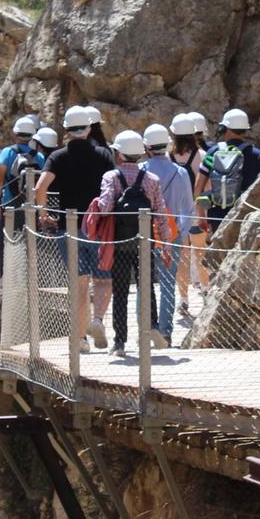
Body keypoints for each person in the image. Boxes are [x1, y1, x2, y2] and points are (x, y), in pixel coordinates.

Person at [35, 106, 116, 352]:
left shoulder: (57, 157)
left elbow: (40, 188)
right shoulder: (104, 154)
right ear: (89, 128)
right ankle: (98, 320)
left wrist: (44, 213)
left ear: (67, 130)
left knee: (78, 284)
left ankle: (80, 339)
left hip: (68, 226)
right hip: (98, 227)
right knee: (103, 279)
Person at [96, 130, 170, 357]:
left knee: (120, 292)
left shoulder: (111, 177)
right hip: (144, 243)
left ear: (118, 154)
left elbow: (106, 207)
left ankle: (119, 343)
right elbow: (161, 214)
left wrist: (97, 202)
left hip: (120, 243)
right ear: (140, 154)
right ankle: (153, 328)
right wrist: (166, 245)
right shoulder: (151, 180)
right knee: (146, 286)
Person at [144, 123, 195, 345]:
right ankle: (165, 332)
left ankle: (146, 329)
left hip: (145, 232)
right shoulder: (180, 172)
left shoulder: (141, 170)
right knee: (167, 283)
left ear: (147, 146)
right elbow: (189, 210)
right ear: (167, 144)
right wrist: (181, 232)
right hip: (171, 233)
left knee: (144, 282)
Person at [193, 108, 260, 234]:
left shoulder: (213, 152)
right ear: (246, 129)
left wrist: (201, 217)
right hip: (245, 215)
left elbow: (198, 188)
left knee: (218, 252)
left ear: (224, 128)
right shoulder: (257, 155)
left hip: (217, 215)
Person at [169, 113, 209, 312]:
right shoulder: (201, 156)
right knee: (200, 255)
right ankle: (206, 291)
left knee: (182, 258)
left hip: (176, 215)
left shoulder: (169, 157)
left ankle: (183, 299)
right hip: (197, 212)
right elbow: (206, 187)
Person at [0, 116, 41, 211]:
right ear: (32, 136)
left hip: (10, 203)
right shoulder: (39, 156)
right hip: (32, 205)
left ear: (15, 133)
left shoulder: (7, 152)